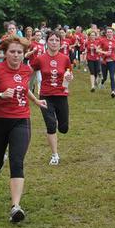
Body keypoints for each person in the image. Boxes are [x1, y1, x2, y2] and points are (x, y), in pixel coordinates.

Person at [0, 36, 47, 222]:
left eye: (19, 52)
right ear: (5, 53)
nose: (16, 55)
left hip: (20, 119)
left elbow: (23, 87)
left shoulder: (26, 70)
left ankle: (15, 206)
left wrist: (35, 100)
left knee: (17, 160)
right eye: (12, 52)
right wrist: (1, 96)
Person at [30, 30, 74, 165]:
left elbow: (69, 73)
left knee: (63, 128)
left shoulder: (65, 58)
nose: (54, 42)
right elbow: (29, 71)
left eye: (57, 40)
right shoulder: (40, 59)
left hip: (61, 95)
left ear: (61, 43)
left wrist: (70, 77)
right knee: (51, 124)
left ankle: (62, 128)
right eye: (51, 40)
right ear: (47, 42)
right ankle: (55, 155)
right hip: (46, 96)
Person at [97, 27, 115, 97]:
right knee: (105, 77)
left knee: (112, 76)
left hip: (112, 61)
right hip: (104, 61)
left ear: (113, 33)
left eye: (110, 32)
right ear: (106, 33)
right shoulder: (102, 40)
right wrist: (105, 52)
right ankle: (102, 82)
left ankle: (113, 91)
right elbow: (97, 50)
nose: (109, 33)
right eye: (108, 32)